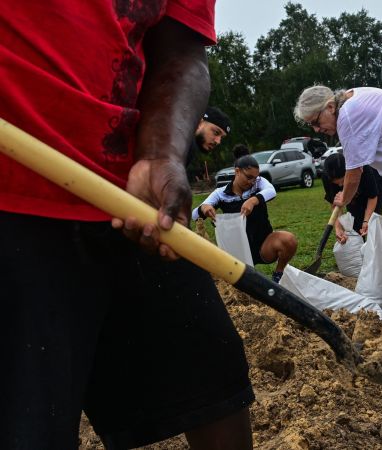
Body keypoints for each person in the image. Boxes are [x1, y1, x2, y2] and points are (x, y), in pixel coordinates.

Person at [0, 2, 255, 449]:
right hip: (12, 194)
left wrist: (161, 151)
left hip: (129, 200)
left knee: (215, 387)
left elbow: (181, 50)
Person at [293, 85, 382, 310]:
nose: (317, 129)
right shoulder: (352, 96)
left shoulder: (347, 116)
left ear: (329, 106)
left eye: (316, 121)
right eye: (311, 125)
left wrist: (343, 199)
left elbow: (354, 173)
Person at [192, 155, 297, 283]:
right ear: (237, 171)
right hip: (237, 251)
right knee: (242, 285)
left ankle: (279, 273)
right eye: (248, 177)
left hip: (264, 245)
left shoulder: (259, 183)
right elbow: (194, 215)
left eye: (255, 178)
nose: (252, 182)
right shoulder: (220, 193)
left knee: (288, 240)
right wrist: (204, 208)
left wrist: (253, 200)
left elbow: (271, 191)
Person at [321, 152, 382, 242]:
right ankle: (360, 248)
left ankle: (376, 248)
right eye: (337, 183)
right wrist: (338, 228)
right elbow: (335, 204)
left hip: (380, 183)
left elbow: (372, 197)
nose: (340, 185)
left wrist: (366, 221)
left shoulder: (362, 168)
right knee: (355, 220)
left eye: (342, 181)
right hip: (355, 191)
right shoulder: (326, 178)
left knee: (373, 219)